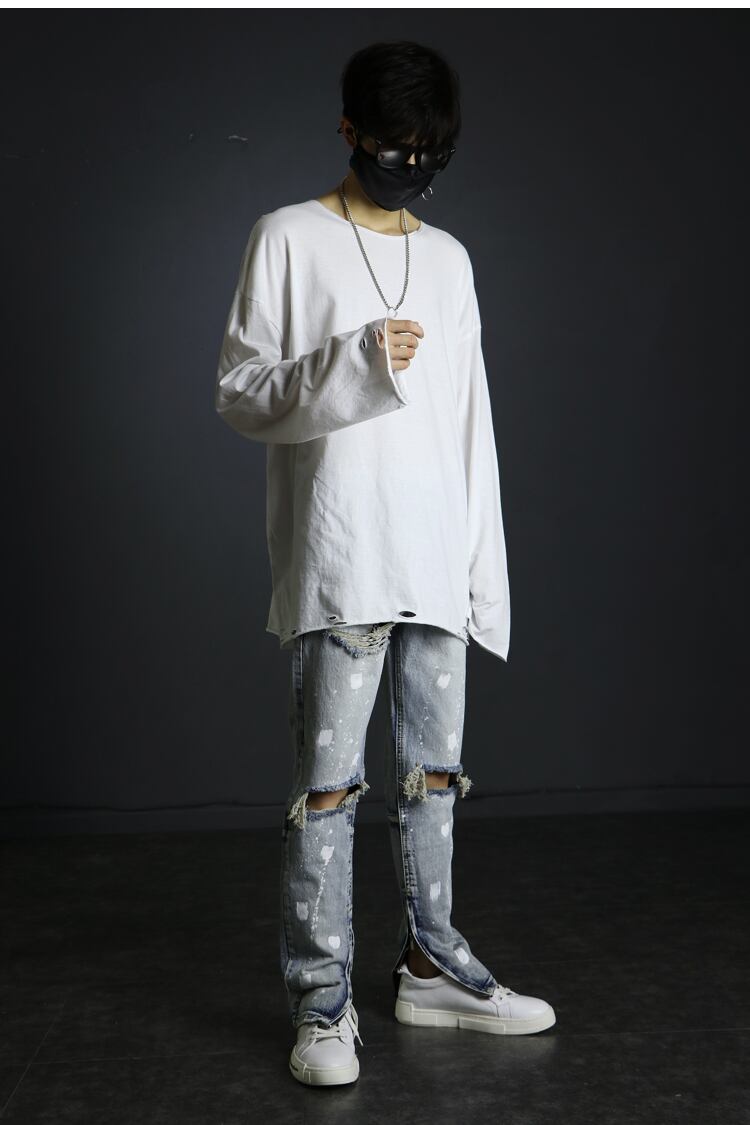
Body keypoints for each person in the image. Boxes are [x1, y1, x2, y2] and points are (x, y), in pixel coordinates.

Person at [215, 39, 556, 1087]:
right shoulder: (286, 237)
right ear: (350, 131)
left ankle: (430, 964)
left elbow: (470, 424)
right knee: (328, 789)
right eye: (396, 146)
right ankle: (321, 1004)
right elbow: (240, 392)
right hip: (342, 552)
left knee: (434, 780)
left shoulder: (449, 260)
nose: (412, 166)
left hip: (432, 553)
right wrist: (350, 362)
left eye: (431, 152)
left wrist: (480, 571)